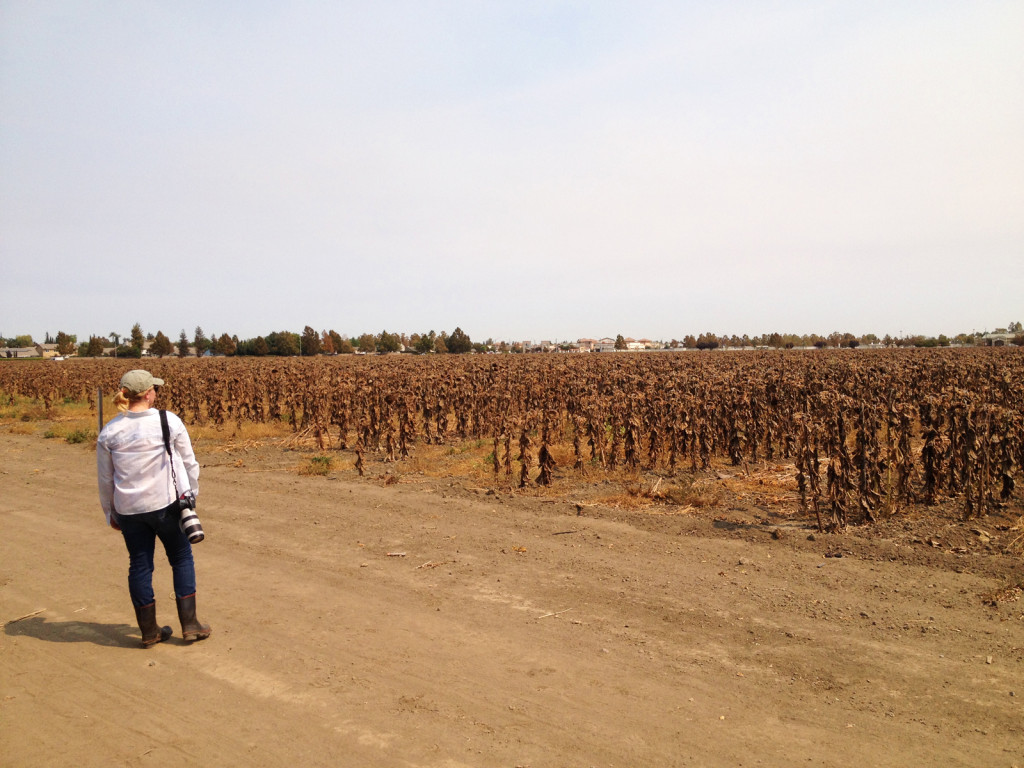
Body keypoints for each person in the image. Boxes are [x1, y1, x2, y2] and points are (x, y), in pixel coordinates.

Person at [97, 369, 211, 647]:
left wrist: (110, 513)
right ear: (148, 394)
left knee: (140, 564)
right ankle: (190, 625)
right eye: (154, 389)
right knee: (181, 558)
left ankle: (149, 632)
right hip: (167, 505)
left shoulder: (110, 431)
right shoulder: (168, 420)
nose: (156, 393)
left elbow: (105, 479)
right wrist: (190, 497)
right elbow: (189, 462)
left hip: (129, 510)